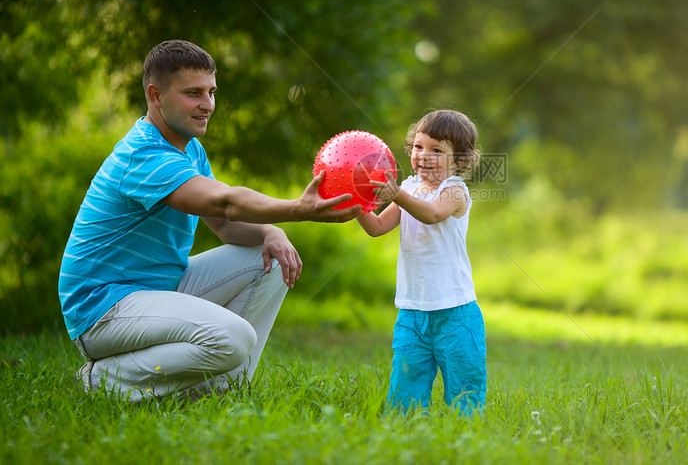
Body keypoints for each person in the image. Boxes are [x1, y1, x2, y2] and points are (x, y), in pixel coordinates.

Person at [58, 40, 361, 401]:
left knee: (270, 259)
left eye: (211, 92)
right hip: (104, 307)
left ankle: (222, 388)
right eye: (193, 93)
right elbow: (227, 202)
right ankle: (100, 381)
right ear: (156, 95)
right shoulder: (143, 153)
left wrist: (270, 231)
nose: (208, 105)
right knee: (234, 337)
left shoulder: (189, 150)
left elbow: (222, 224)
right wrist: (297, 209)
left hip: (156, 289)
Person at [356, 109, 487, 414]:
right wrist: (356, 201)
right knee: (406, 384)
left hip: (455, 312)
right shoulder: (411, 189)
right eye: (418, 146)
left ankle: (465, 431)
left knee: (463, 385)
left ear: (460, 160)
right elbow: (376, 228)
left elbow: (430, 215)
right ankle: (406, 424)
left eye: (437, 150)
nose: (423, 155)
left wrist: (396, 193)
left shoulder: (453, 191)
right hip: (412, 312)